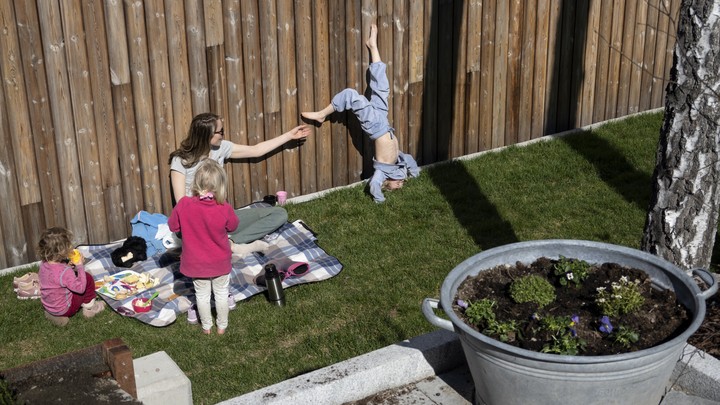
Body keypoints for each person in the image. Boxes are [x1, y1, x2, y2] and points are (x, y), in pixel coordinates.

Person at [301, 24, 419, 203]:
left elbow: (373, 185)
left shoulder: (382, 172)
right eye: (401, 183)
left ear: (386, 182)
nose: (401, 184)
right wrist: (416, 173)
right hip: (384, 121)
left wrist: (380, 197)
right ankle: (373, 46)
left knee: (350, 95)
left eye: (398, 185)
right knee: (381, 84)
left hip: (375, 126)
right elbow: (409, 159)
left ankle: (321, 114)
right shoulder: (398, 160)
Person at [169, 112, 310, 255]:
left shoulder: (220, 148)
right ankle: (218, 244)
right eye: (221, 131)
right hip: (196, 224)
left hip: (220, 217)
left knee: (279, 213)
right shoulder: (181, 161)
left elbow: (256, 150)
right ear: (207, 135)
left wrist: (289, 136)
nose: (223, 134)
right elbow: (182, 204)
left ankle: (231, 243)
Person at [168, 159, 240, 335]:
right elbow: (233, 226)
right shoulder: (224, 207)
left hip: (196, 263)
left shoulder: (184, 205)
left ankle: (206, 327)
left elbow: (173, 226)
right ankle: (222, 326)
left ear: (195, 182)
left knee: (201, 295)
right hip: (220, 262)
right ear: (220, 186)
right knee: (222, 293)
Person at [37, 227, 105, 327]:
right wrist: (80, 266)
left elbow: (56, 277)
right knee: (87, 278)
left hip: (49, 306)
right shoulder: (65, 272)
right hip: (66, 308)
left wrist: (68, 266)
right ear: (62, 250)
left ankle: (54, 315)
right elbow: (80, 289)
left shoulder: (43, 265)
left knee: (74, 281)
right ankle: (90, 308)